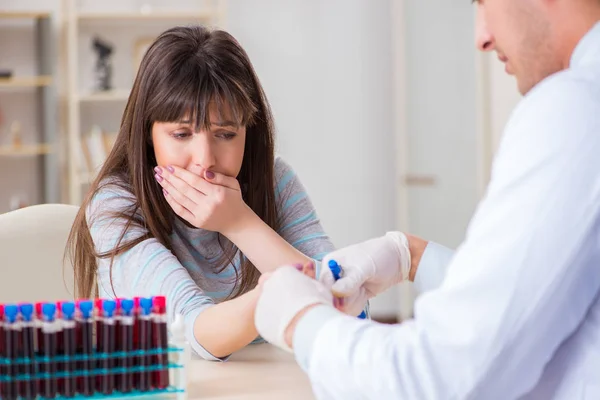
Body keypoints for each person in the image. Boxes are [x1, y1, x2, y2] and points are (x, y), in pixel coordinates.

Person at [254, 0, 600, 398]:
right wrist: (411, 256)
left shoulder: (575, 108)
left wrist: (301, 321)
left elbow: (443, 378)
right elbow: (544, 298)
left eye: (483, 2)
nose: (481, 37)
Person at [66, 25, 335, 361]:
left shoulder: (275, 182)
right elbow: (195, 331)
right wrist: (282, 290)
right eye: (181, 134)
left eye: (225, 134)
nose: (205, 160)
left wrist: (239, 223)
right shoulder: (115, 203)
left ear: (247, 132)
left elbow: (351, 306)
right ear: (149, 134)